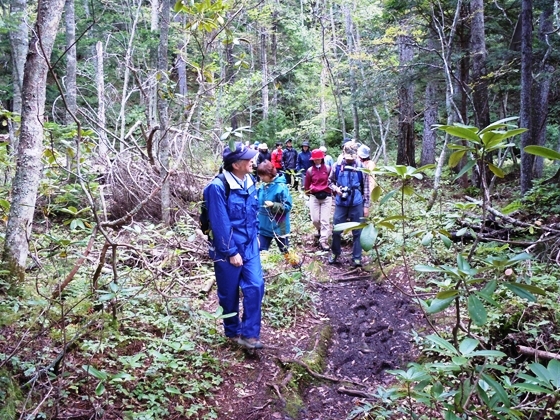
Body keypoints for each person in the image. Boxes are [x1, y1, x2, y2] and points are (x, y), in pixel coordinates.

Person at [203, 142, 265, 349]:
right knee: (229, 293)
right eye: (248, 159)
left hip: (249, 245)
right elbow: (220, 222)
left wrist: (255, 234)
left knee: (255, 286)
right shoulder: (217, 187)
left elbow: (253, 211)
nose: (252, 161)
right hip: (227, 248)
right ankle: (232, 332)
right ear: (236, 164)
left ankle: (250, 335)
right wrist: (230, 251)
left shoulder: (250, 181)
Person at [328, 147, 371, 267]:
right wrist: (336, 189)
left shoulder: (361, 168)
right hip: (341, 203)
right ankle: (335, 253)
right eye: (347, 158)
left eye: (352, 158)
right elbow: (329, 181)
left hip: (357, 202)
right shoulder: (336, 166)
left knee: (358, 231)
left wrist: (366, 206)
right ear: (343, 154)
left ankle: (357, 257)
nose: (349, 161)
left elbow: (366, 188)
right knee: (336, 229)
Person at [256, 161, 301, 268]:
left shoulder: (281, 187)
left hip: (279, 226)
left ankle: (297, 268)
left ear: (270, 174)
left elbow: (287, 206)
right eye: (260, 175)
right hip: (264, 225)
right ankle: (262, 273)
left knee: (285, 249)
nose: (261, 178)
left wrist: (273, 205)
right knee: (261, 251)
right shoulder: (262, 187)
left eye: (263, 175)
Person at [304, 148, 333, 251]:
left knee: (325, 220)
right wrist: (309, 194)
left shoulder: (329, 169)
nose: (317, 160)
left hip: (326, 197)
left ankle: (323, 240)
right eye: (315, 159)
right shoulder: (310, 171)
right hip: (314, 196)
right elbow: (306, 186)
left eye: (319, 159)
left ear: (322, 158)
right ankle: (320, 230)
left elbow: (332, 182)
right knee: (315, 219)